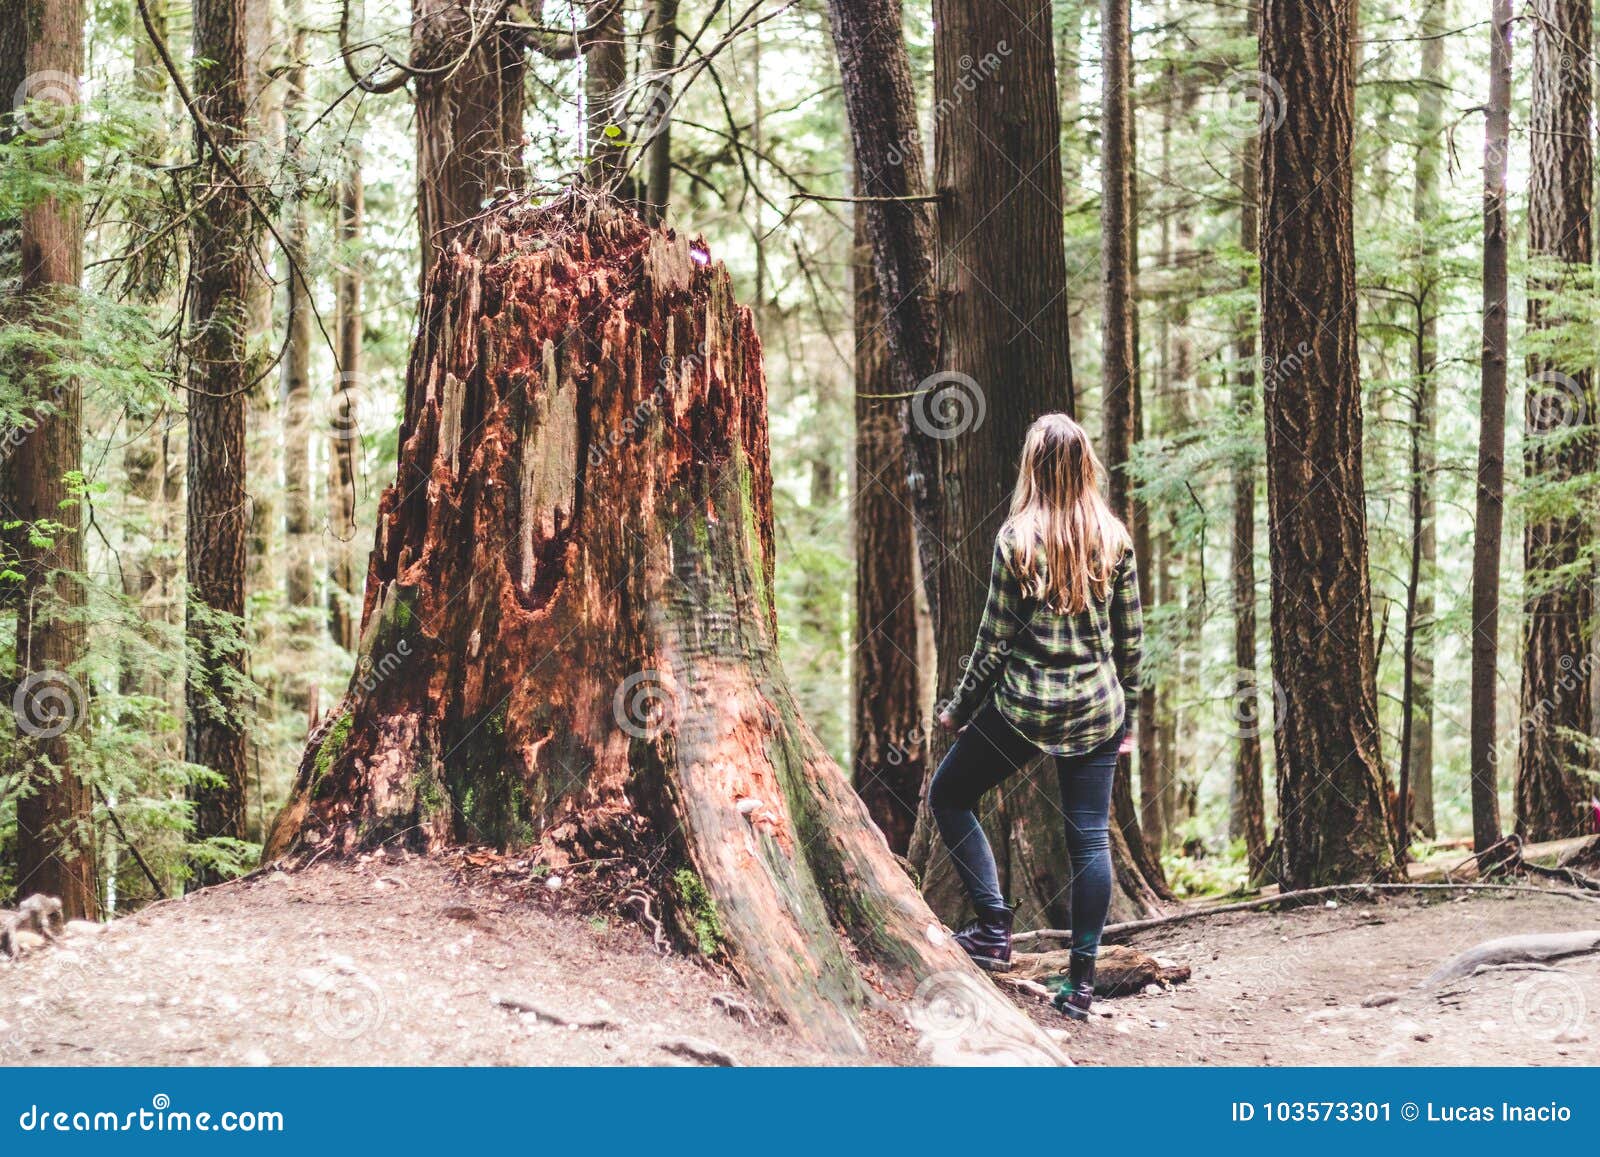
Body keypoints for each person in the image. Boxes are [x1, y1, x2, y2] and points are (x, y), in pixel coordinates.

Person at [930, 412, 1142, 1022]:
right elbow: (1131, 642)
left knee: (949, 794)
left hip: (1025, 707)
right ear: (1084, 467)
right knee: (1088, 839)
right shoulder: (1115, 537)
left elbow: (993, 641)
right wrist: (1126, 717)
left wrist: (959, 710)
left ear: (1034, 466)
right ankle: (1080, 986)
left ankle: (994, 926)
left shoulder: (1016, 539)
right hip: (1098, 709)